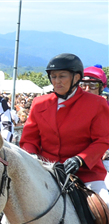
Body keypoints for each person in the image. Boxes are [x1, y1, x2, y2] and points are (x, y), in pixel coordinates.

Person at [21, 54, 109, 204]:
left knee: (107, 205)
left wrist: (80, 159)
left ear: (76, 78)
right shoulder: (39, 103)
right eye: (53, 76)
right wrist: (32, 157)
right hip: (46, 170)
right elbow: (29, 140)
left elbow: (102, 141)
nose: (56, 81)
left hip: (85, 174)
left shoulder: (97, 103)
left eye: (62, 76)